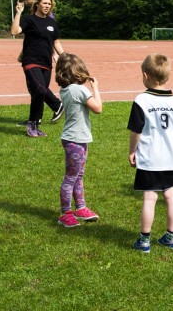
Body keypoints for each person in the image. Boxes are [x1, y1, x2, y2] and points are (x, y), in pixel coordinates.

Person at [128, 54, 173, 252]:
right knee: (171, 195)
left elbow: (136, 132)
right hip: (170, 158)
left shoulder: (142, 100)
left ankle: (145, 241)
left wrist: (132, 151)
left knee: (150, 197)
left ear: (145, 75)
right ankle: (171, 237)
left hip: (150, 159)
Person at [55, 53, 102, 228]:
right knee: (71, 177)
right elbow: (98, 108)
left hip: (74, 138)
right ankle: (65, 212)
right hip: (76, 139)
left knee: (77, 175)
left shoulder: (66, 89)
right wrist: (95, 88)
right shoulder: (80, 90)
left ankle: (80, 207)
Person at [11, 0, 65, 137]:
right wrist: (18, 13)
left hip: (46, 63)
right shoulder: (29, 19)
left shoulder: (52, 23)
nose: (47, 6)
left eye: (49, 4)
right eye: (44, 3)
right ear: (37, 4)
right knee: (40, 90)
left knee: (38, 94)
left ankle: (34, 124)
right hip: (31, 61)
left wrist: (65, 57)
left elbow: (56, 42)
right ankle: (34, 122)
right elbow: (15, 31)